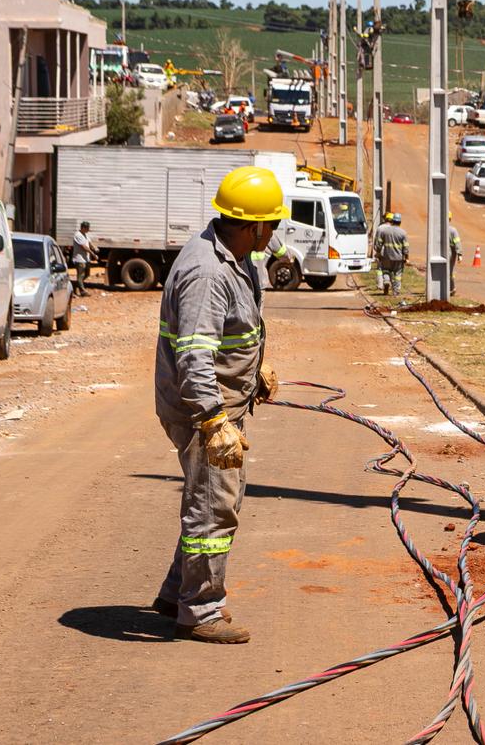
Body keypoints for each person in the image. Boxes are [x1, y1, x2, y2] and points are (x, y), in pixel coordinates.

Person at [153, 166, 287, 644]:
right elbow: (194, 353)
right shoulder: (208, 272)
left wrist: (254, 373)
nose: (275, 233)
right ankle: (201, 610)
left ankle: (176, 593)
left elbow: (231, 333)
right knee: (214, 508)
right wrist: (213, 420)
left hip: (220, 401)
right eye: (272, 224)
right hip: (201, 410)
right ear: (253, 225)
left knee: (205, 500)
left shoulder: (235, 256)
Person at [373, 212, 408, 296]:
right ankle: (396, 292)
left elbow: (379, 244)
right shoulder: (403, 232)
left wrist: (378, 253)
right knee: (397, 274)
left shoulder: (385, 231)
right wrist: (406, 257)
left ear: (393, 221)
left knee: (386, 271)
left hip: (386, 256)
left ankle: (386, 281)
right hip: (398, 257)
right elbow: (406, 247)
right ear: (400, 222)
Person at [71, 221, 98, 296]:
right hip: (79, 259)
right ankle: (82, 291)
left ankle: (75, 285)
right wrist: (93, 254)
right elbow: (84, 247)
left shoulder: (85, 235)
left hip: (86, 258)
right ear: (83, 228)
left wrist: (94, 247)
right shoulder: (78, 235)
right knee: (81, 275)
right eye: (87, 228)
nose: (88, 230)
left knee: (87, 274)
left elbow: (89, 243)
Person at [448, 212, 462, 297]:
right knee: (450, 271)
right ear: (450, 219)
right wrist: (459, 254)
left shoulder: (439, 229)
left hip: (441, 253)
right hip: (451, 253)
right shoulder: (453, 230)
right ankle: (451, 288)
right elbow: (457, 242)